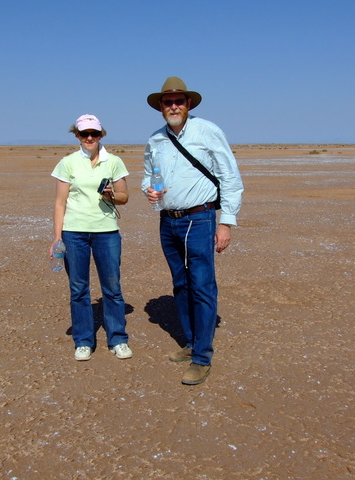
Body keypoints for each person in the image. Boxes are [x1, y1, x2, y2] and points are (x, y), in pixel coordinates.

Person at [142, 77, 244, 385]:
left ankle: (202, 357)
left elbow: (230, 177)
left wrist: (226, 222)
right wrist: (150, 192)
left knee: (202, 285)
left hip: (200, 219)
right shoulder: (156, 140)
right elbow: (149, 175)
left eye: (179, 101)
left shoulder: (207, 131)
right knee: (180, 284)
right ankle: (190, 341)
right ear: (160, 107)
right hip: (168, 220)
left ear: (188, 104)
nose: (173, 106)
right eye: (167, 102)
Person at [50, 114, 132, 361]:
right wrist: (56, 238)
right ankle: (83, 341)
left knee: (113, 288)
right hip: (74, 234)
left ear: (101, 135)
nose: (89, 138)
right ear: (76, 135)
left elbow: (124, 197)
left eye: (93, 134)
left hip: (106, 233)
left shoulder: (114, 162)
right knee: (78, 288)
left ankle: (118, 339)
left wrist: (111, 195)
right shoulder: (68, 163)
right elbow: (59, 202)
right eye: (84, 134)